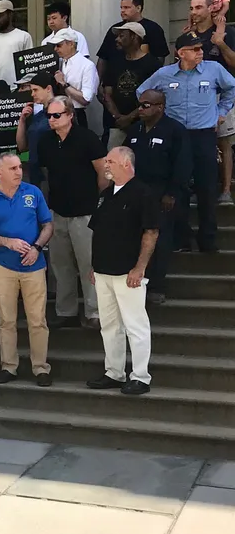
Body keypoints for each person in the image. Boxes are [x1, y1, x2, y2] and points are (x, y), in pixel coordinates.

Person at [137, 30, 235, 254]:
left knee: (207, 188)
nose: (201, 52)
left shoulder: (214, 69)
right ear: (181, 53)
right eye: (195, 49)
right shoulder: (164, 74)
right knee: (177, 189)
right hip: (176, 135)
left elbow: (232, 87)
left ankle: (208, 240)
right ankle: (181, 239)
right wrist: (159, 117)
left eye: (201, 48)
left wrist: (221, 111)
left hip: (204, 135)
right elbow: (142, 92)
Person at [0, 154, 55, 386]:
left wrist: (37, 248)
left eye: (19, 167)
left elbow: (48, 224)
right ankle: (9, 366)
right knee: (6, 320)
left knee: (38, 320)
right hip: (2, 266)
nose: (19, 171)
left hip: (34, 264)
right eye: (12, 168)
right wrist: (6, 241)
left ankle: (41, 368)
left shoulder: (32, 192)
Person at [90, 147, 161, 396]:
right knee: (109, 325)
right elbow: (98, 231)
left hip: (128, 271)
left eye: (110, 161)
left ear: (126, 164)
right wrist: (93, 266)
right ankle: (114, 372)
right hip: (103, 270)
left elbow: (150, 232)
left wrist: (140, 268)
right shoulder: (107, 193)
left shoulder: (143, 193)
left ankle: (141, 376)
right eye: (106, 160)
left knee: (135, 325)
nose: (106, 165)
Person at [38, 97, 106, 329]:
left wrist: (95, 199)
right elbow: (47, 172)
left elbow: (103, 172)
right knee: (61, 264)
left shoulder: (87, 138)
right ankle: (65, 311)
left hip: (85, 211)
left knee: (88, 263)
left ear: (69, 115)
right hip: (58, 210)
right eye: (49, 116)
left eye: (56, 115)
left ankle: (94, 311)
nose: (52, 120)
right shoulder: (46, 141)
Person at [127, 89, 190, 304]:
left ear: (160, 107)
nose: (141, 109)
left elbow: (182, 165)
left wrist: (172, 193)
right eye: (140, 104)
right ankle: (138, 283)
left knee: (160, 241)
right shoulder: (135, 130)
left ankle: (157, 286)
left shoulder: (175, 130)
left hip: (161, 192)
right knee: (135, 239)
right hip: (136, 193)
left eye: (146, 105)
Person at [188, 0, 235, 206]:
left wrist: (221, 44)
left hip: (220, 94)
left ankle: (225, 191)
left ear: (210, 9)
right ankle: (199, 189)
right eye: (192, 8)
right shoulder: (188, 36)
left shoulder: (226, 33)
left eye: (198, 8)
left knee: (224, 143)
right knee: (196, 145)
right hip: (195, 96)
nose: (194, 12)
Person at [101, 22, 161, 149]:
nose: (117, 39)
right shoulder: (115, 62)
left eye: (122, 36)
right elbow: (107, 93)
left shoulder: (152, 64)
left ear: (134, 37)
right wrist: (117, 116)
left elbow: (154, 97)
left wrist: (129, 118)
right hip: (117, 126)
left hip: (144, 126)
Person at [97, 0, 170, 79]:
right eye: (121, 7)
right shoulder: (114, 30)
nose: (123, 11)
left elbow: (159, 58)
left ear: (138, 8)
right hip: (115, 83)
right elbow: (103, 57)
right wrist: (99, 82)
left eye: (127, 7)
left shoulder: (153, 29)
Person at [48, 29, 99, 130]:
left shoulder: (87, 65)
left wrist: (64, 83)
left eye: (59, 45)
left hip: (76, 114)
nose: (55, 49)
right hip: (56, 114)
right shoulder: (58, 63)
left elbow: (86, 99)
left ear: (71, 44)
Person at [16, 71, 58, 187]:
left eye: (36, 90)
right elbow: (22, 147)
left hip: (52, 173)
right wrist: (22, 120)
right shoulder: (37, 116)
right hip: (35, 173)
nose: (32, 94)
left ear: (48, 89)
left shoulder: (60, 114)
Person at [0, 0, 33, 87]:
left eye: (0, 15)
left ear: (10, 15)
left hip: (17, 88)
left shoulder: (24, 36)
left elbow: (29, 65)